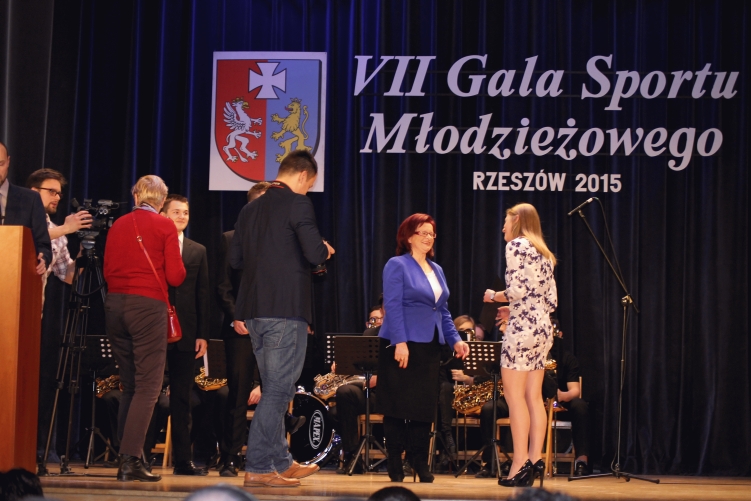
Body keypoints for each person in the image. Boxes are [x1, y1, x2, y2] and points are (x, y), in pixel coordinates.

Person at [230, 150, 334, 487]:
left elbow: (235, 259)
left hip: (254, 312)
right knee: (277, 391)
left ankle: (280, 461)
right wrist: (325, 249)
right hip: (285, 310)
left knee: (279, 387)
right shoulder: (298, 203)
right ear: (303, 176)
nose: (308, 190)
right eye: (310, 184)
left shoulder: (249, 209)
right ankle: (259, 466)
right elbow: (315, 253)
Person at [104, 175, 186, 482]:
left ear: (136, 196)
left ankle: (128, 456)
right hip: (147, 306)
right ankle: (130, 460)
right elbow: (176, 276)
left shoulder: (118, 224)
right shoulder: (165, 226)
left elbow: (107, 269)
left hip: (114, 305)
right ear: (162, 201)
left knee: (130, 386)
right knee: (149, 387)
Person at [377, 213, 470, 483]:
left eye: (432, 233)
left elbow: (442, 310)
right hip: (402, 344)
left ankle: (418, 459)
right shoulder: (397, 264)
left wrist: (455, 339)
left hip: (429, 346)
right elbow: (392, 305)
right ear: (408, 237)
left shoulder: (436, 269)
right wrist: (400, 342)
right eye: (423, 233)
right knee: (397, 406)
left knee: (422, 407)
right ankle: (395, 461)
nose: (429, 238)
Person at [484, 203, 557, 488]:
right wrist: (517, 308)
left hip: (522, 330)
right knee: (533, 397)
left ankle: (518, 464)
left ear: (516, 220)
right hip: (542, 328)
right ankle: (536, 459)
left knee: (515, 399)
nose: (503, 227)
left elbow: (517, 290)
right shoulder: (545, 252)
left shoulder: (516, 246)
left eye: (505, 221)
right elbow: (549, 299)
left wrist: (494, 296)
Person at [26, 168, 93, 462]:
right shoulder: (17, 218)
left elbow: (66, 276)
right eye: (51, 191)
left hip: (35, 314)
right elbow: (25, 240)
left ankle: (37, 446)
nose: (57, 197)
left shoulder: (58, 232)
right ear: (33, 192)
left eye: (59, 193)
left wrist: (83, 254)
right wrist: (66, 228)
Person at [216, 182, 269, 476]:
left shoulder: (280, 240)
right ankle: (230, 456)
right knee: (237, 395)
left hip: (273, 327)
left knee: (273, 392)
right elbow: (222, 286)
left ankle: (268, 456)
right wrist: (236, 317)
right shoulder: (230, 239)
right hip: (241, 328)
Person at [158, 194, 210, 476]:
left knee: (182, 398)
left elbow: (203, 294)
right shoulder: (153, 245)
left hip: (186, 332)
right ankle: (138, 457)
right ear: (163, 214)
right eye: (176, 212)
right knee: (149, 395)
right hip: (155, 326)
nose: (181, 217)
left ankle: (182, 461)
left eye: (185, 212)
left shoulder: (197, 250)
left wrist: (202, 334)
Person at [331, 299, 384, 474]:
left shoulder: (402, 335)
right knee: (343, 396)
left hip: (392, 393)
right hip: (370, 394)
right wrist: (342, 366)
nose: (378, 321)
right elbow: (359, 365)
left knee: (339, 411)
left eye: (381, 317)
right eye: (374, 319)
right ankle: (353, 455)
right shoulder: (369, 334)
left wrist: (381, 378)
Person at [0, 141, 51, 274]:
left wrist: (43, 259)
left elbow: (44, 245)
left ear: (8, 161)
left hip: (16, 277)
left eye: (0, 164)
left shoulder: (30, 199)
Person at [547, 320, 591, 476]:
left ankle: (582, 459)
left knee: (580, 406)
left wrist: (562, 395)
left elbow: (575, 390)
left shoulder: (567, 358)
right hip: (537, 404)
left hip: (561, 404)